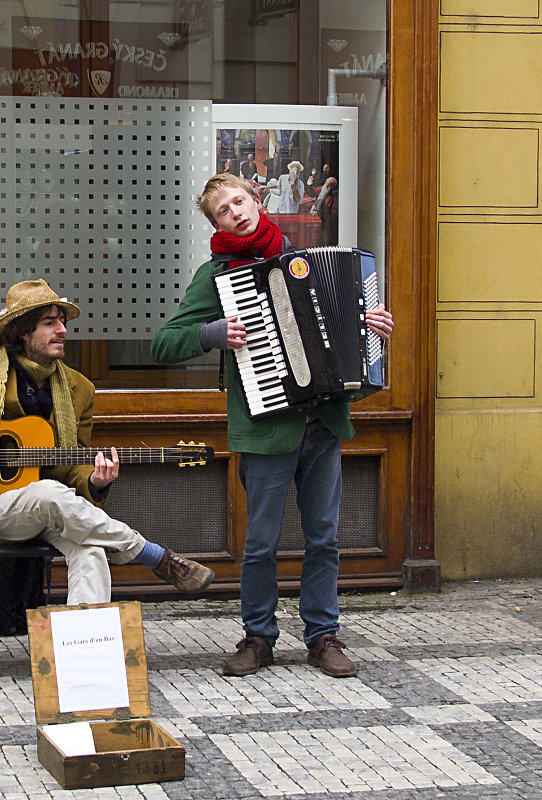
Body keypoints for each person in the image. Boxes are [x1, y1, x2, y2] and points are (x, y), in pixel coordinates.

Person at [150, 174, 393, 678]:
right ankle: (258, 636)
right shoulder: (217, 275)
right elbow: (164, 342)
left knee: (324, 536)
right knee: (260, 542)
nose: (235, 212)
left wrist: (374, 330)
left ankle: (322, 636)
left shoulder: (304, 258)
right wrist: (213, 333)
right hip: (265, 429)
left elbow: (348, 335)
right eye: (223, 210)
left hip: (322, 422)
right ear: (215, 223)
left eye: (239, 201)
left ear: (257, 202)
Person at [0, 279, 215, 606]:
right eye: (50, 323)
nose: (62, 330)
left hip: (51, 508)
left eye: (63, 321)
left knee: (90, 547)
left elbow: (72, 466)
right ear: (23, 332)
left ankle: (85, 647)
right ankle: (152, 555)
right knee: (49, 493)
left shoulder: (79, 390)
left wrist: (95, 481)